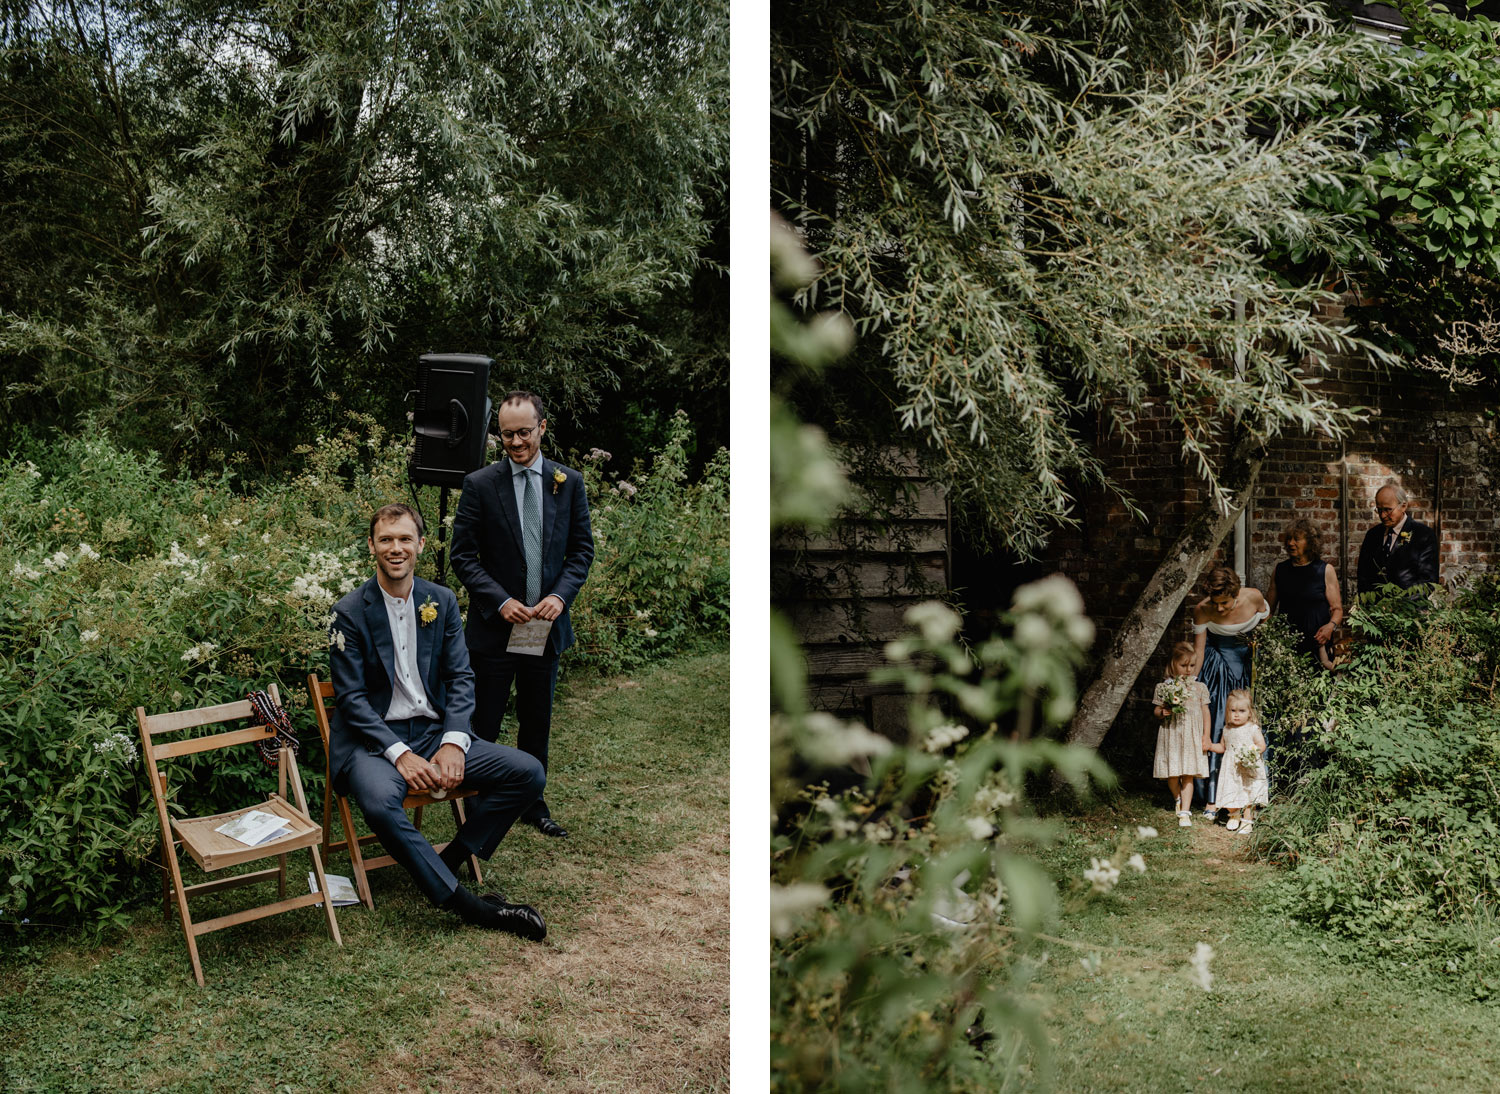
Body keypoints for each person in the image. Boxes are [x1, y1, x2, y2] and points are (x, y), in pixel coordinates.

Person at [327, 503, 548, 939]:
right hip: (373, 743)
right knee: (378, 803)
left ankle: (447, 862)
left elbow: (460, 677)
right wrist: (400, 755)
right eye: (386, 539)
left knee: (528, 773)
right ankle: (470, 906)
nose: (396, 548)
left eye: (405, 539)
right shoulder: (348, 611)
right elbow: (352, 700)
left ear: (421, 545)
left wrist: (452, 741)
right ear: (371, 546)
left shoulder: (440, 601)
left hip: (432, 731)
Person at [451, 391, 595, 839]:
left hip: (544, 628)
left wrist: (561, 597)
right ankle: (478, 804)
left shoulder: (567, 482)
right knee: (485, 723)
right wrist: (499, 600)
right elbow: (463, 557)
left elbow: (581, 551)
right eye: (507, 434)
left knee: (537, 720)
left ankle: (533, 802)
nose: (515, 443)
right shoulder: (479, 484)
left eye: (523, 433)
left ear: (543, 428)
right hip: (495, 630)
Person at [1190, 565, 1268, 819]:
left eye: (1224, 602)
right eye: (1216, 602)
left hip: (1248, 666)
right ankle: (1213, 798)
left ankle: (1251, 796)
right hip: (1219, 668)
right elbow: (1199, 652)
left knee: (1250, 726)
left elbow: (1267, 627)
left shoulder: (1254, 596)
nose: (1219, 608)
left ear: (1236, 593)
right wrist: (1192, 683)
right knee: (1221, 726)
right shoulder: (1203, 609)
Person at [1266, 518, 1343, 668]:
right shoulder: (1280, 570)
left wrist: (1330, 627)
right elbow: (1267, 610)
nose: (1290, 543)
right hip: (1288, 642)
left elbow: (1337, 609)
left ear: (1310, 542)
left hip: (1318, 641)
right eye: (1288, 539)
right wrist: (1273, 638)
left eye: (1296, 539)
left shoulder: (1325, 570)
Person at [1152, 641, 1212, 828]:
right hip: (1172, 735)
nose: (1188, 670)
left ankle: (1185, 812)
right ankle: (1177, 798)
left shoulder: (1200, 687)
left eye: (1192, 666)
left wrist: (1206, 736)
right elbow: (1156, 710)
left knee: (1188, 774)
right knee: (1172, 775)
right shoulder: (1164, 687)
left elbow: (1205, 713)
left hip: (1191, 737)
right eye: (1183, 665)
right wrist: (1162, 712)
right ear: (1173, 664)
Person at [1355, 483, 1439, 594]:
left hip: (1408, 608)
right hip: (1374, 609)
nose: (1383, 515)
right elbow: (1363, 576)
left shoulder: (1423, 535)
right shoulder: (1372, 535)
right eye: (1379, 510)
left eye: (1388, 509)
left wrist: (1399, 605)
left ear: (1403, 506)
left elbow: (1428, 582)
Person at [1211, 689, 1268, 833]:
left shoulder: (1252, 728)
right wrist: (1210, 746)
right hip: (1232, 768)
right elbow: (1222, 747)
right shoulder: (1227, 729)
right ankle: (1234, 814)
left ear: (1250, 712)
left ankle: (1247, 820)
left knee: (1248, 792)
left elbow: (1261, 746)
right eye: (1233, 710)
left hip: (1248, 766)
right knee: (1231, 790)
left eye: (1241, 711)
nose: (1236, 714)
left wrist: (1250, 754)